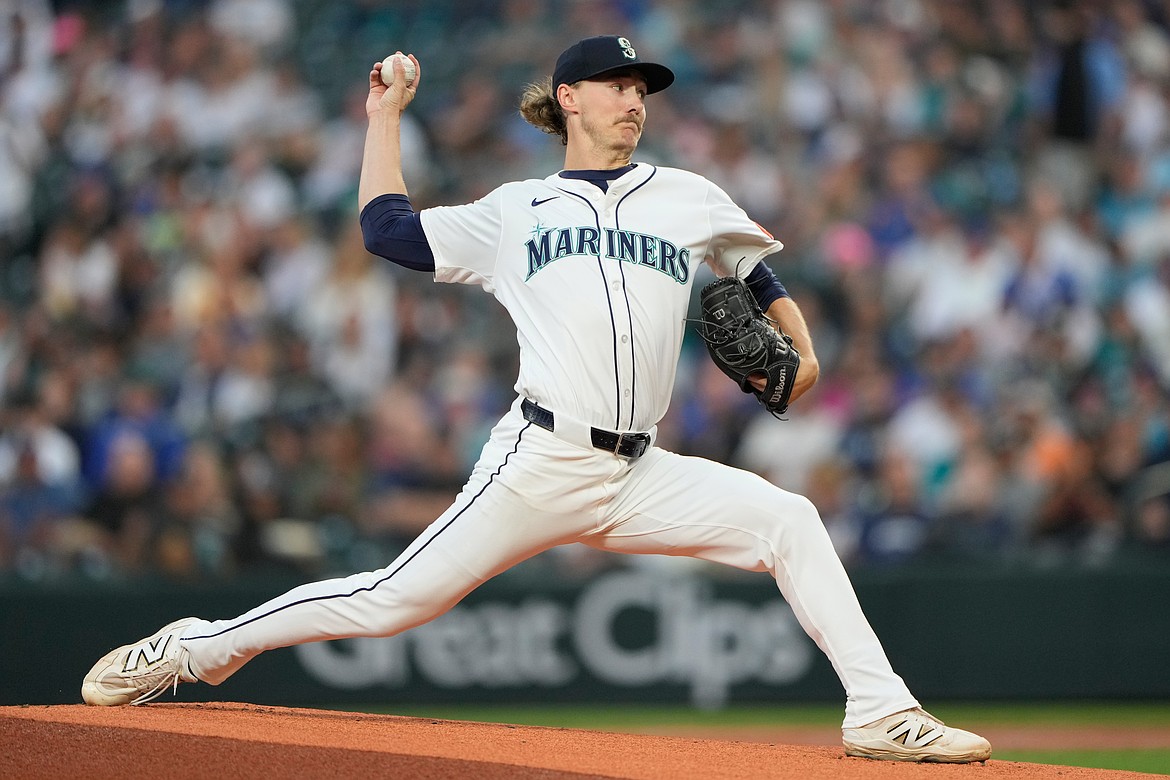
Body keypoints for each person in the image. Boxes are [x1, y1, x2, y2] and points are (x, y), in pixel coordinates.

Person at [81, 36, 991, 763]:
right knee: (394, 600)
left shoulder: (686, 196)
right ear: (570, 100)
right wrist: (383, 115)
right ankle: (192, 650)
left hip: (642, 470)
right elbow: (385, 230)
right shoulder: (518, 210)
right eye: (616, 83)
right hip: (540, 457)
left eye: (643, 87)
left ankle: (881, 712)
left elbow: (754, 275)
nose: (635, 99)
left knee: (790, 520)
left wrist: (807, 356)